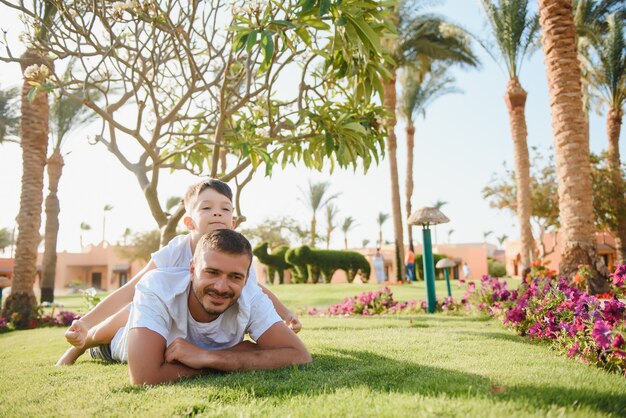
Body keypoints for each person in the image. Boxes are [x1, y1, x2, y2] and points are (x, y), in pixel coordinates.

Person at [57, 179, 300, 366]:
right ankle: (84, 344)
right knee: (130, 310)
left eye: (225, 209)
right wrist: (86, 323)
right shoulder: (175, 251)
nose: (217, 212)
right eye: (206, 207)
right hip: (159, 313)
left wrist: (286, 314)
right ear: (189, 222)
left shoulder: (236, 255)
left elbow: (256, 289)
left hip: (192, 327)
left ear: (233, 223)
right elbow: (129, 290)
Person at [113, 230, 310, 385]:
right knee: (103, 333)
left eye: (235, 276)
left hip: (169, 337)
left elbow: (298, 355)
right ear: (192, 269)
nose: (221, 287)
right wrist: (236, 355)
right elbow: (144, 377)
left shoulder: (251, 294)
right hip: (117, 344)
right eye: (212, 272)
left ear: (246, 278)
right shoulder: (158, 285)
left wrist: (207, 358)